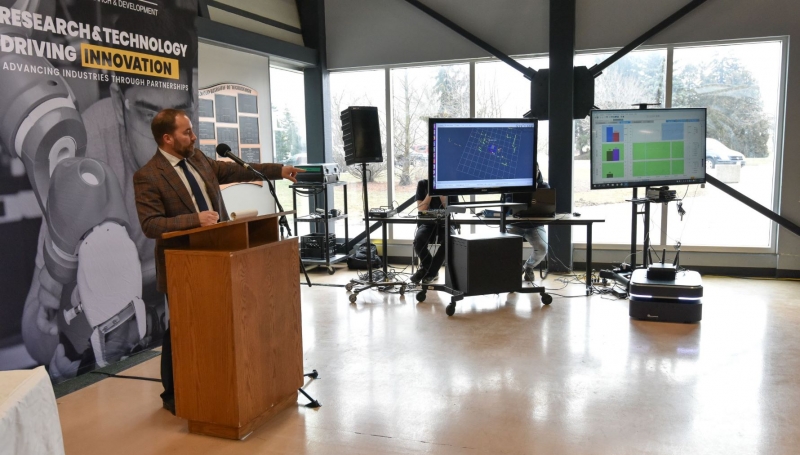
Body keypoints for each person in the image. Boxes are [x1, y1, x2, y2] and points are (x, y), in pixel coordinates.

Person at [133, 109, 304, 414]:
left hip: (222, 258)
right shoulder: (148, 175)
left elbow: (237, 171)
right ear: (167, 138)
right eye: (187, 132)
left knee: (218, 325)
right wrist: (194, 220)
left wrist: (279, 170)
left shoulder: (198, 159)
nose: (193, 137)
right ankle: (173, 394)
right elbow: (150, 224)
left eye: (191, 130)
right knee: (182, 329)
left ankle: (217, 383)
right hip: (184, 267)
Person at [410, 179, 457, 284]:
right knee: (418, 241)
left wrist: (440, 193)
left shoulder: (451, 183)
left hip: (446, 223)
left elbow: (451, 209)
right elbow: (421, 209)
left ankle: (429, 271)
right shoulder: (422, 184)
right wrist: (430, 193)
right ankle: (432, 270)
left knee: (449, 240)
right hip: (427, 223)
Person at [507, 163, 548, 282]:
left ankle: (528, 267)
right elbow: (506, 207)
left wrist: (536, 190)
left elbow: (548, 206)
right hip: (514, 224)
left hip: (535, 225)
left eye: (535, 170)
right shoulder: (513, 184)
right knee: (505, 246)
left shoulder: (544, 186)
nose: (533, 173)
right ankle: (512, 270)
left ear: (538, 171)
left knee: (542, 248)